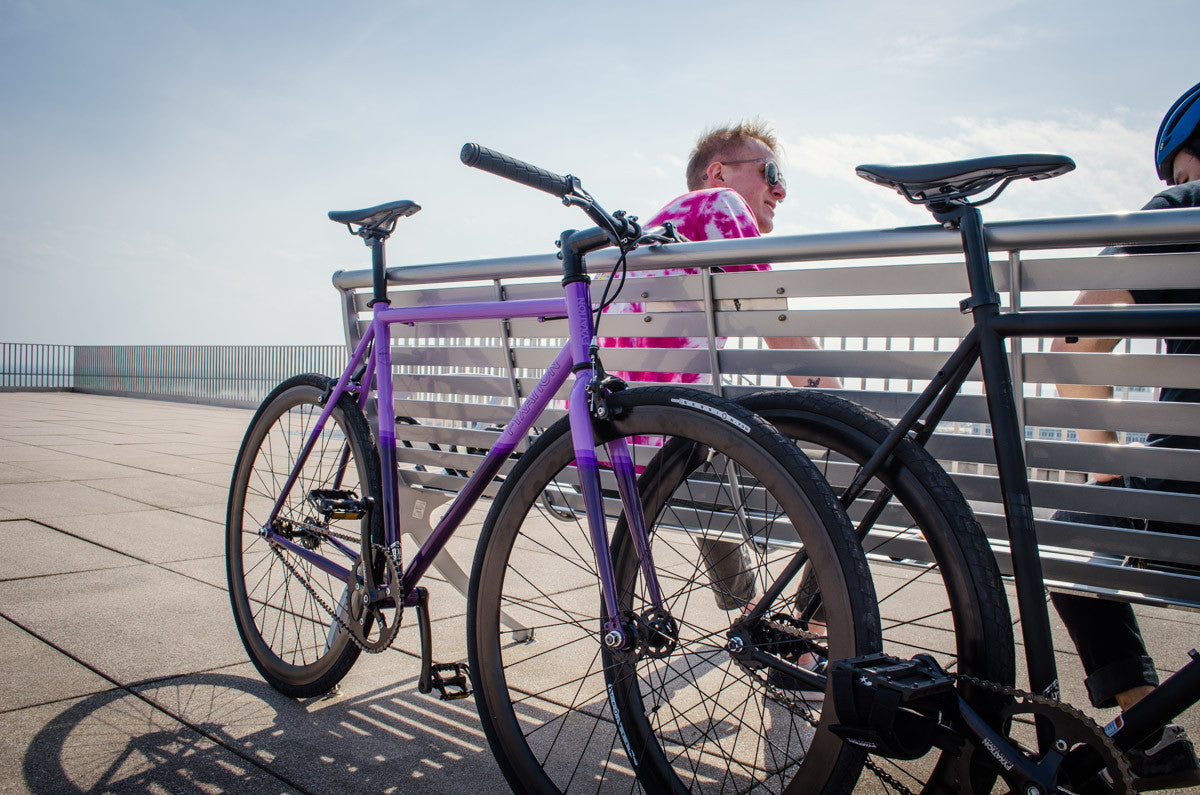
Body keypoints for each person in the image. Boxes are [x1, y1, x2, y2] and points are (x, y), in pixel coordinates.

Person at [598, 120, 836, 611]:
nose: (781, 189)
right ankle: (810, 639)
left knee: (704, 426)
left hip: (619, 451)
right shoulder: (720, 206)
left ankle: (750, 610)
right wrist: (846, 409)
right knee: (858, 466)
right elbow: (777, 320)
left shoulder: (652, 234)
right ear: (719, 173)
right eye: (770, 171)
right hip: (685, 449)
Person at [1050, 81, 1200, 790]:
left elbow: (1075, 345)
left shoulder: (1184, 208)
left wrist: (1110, 486)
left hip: (1191, 504)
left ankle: (1146, 726)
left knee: (1074, 528)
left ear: (1184, 161)